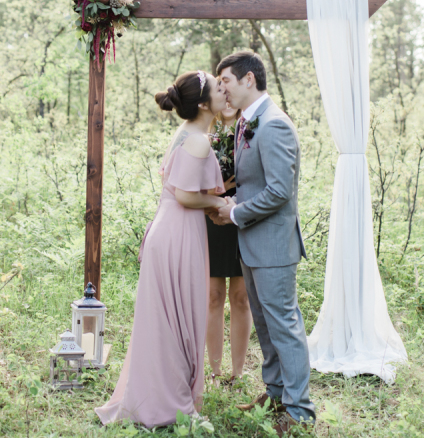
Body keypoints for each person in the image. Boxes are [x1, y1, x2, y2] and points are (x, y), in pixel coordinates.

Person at [95, 70, 228, 428]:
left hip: (173, 230)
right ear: (202, 103)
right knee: (178, 322)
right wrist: (219, 204)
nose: (224, 91)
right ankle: (172, 406)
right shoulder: (197, 139)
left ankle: (168, 398)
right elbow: (185, 194)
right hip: (177, 235)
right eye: (218, 88)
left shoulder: (188, 133)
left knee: (171, 320)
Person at [213, 51, 316, 436]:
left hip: (272, 244)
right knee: (265, 323)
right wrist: (231, 201)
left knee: (284, 325)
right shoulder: (246, 122)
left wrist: (235, 213)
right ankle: (274, 393)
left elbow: (279, 191)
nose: (221, 87)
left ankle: (301, 410)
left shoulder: (274, 125)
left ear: (248, 81)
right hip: (251, 243)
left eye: (226, 80)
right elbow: (255, 183)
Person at [205, 104, 253, 386]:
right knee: (213, 295)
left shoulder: (251, 128)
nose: (226, 99)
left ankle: (237, 372)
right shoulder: (205, 133)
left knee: (241, 297)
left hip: (244, 213)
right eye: (219, 91)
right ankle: (214, 371)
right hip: (212, 214)